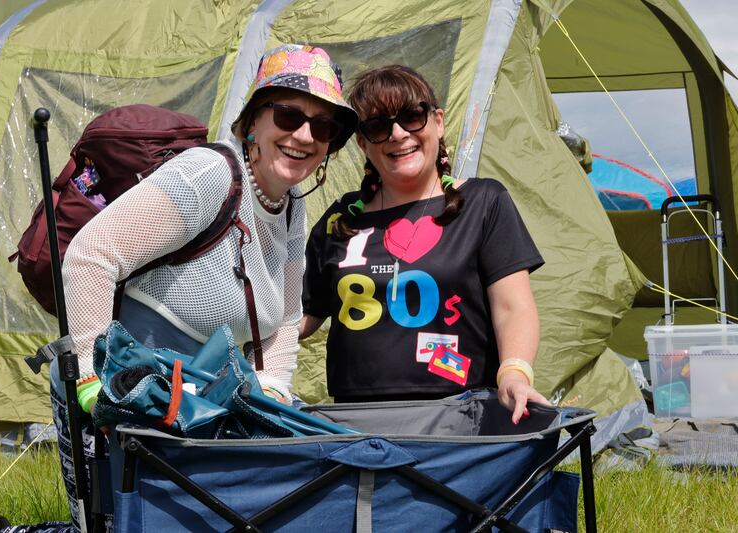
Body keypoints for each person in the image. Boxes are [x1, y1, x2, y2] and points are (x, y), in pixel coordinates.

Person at [49, 44, 358, 532]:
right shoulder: (209, 175)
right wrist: (90, 376)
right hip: (129, 397)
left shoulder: (292, 207)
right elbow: (91, 256)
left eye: (323, 127)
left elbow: (284, 318)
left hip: (198, 405)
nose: (304, 135)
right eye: (288, 115)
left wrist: (273, 389)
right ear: (252, 121)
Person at [300, 64, 548, 424]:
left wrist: (514, 373)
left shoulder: (484, 202)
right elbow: (300, 316)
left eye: (412, 116)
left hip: (461, 415)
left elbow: (514, 308)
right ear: (362, 143)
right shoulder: (341, 220)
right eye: (378, 126)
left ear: (438, 121)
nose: (398, 134)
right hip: (354, 421)